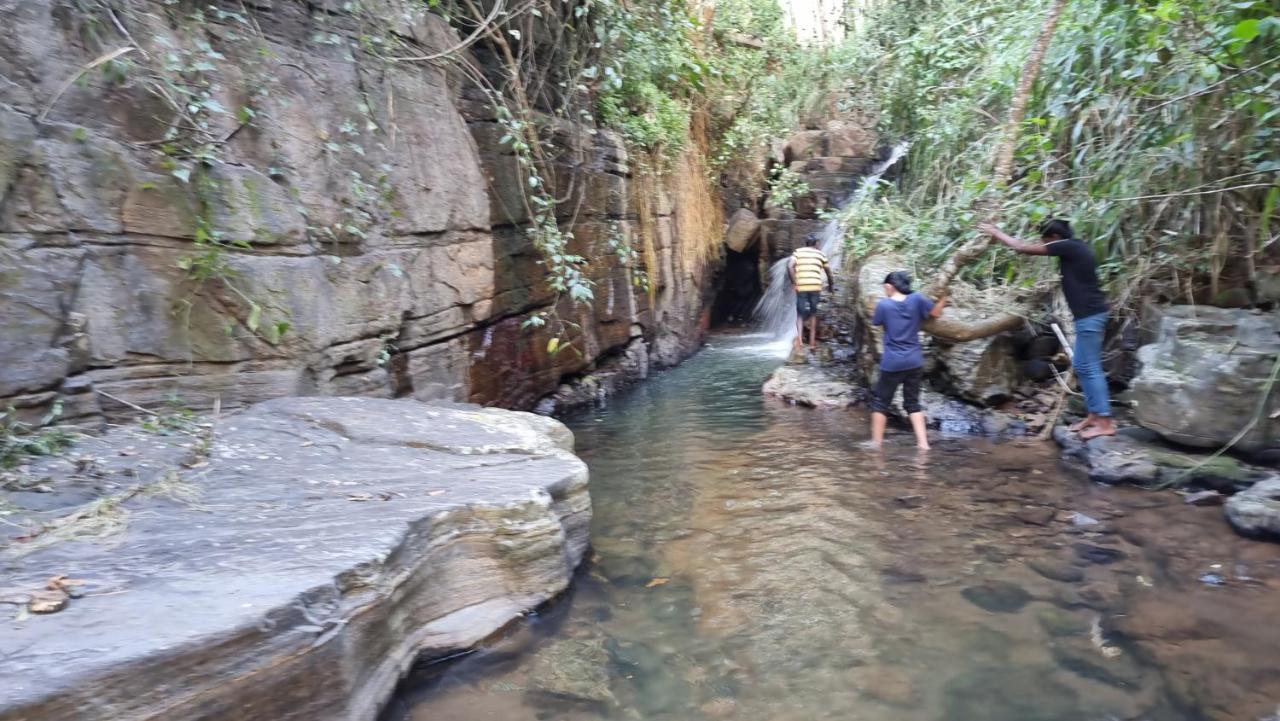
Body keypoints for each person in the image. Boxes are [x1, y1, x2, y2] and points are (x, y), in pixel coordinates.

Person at [978, 218, 1114, 439]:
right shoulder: (1073, 249)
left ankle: (1106, 421)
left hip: (1091, 316)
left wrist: (996, 232)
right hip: (1088, 315)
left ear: (1054, 238)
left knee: (1090, 368)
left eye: (1045, 241)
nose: (1045, 245)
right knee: (1082, 365)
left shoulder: (1068, 246)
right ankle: (1094, 415)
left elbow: (1021, 247)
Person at [869, 271, 947, 450]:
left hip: (892, 362)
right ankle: (923, 444)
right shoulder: (917, 299)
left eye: (885, 288)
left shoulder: (884, 305)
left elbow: (876, 321)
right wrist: (944, 299)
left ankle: (876, 444)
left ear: (890, 286)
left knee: (881, 402)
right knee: (912, 403)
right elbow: (935, 312)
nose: (885, 290)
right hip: (914, 361)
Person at [789, 234, 834, 352]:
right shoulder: (821, 254)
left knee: (800, 314)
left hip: (801, 287)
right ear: (816, 244)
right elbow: (828, 272)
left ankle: (799, 340)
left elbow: (790, 266)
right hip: (815, 286)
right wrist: (831, 286)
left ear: (806, 243)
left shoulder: (797, 252)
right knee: (813, 314)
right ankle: (812, 343)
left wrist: (794, 283)